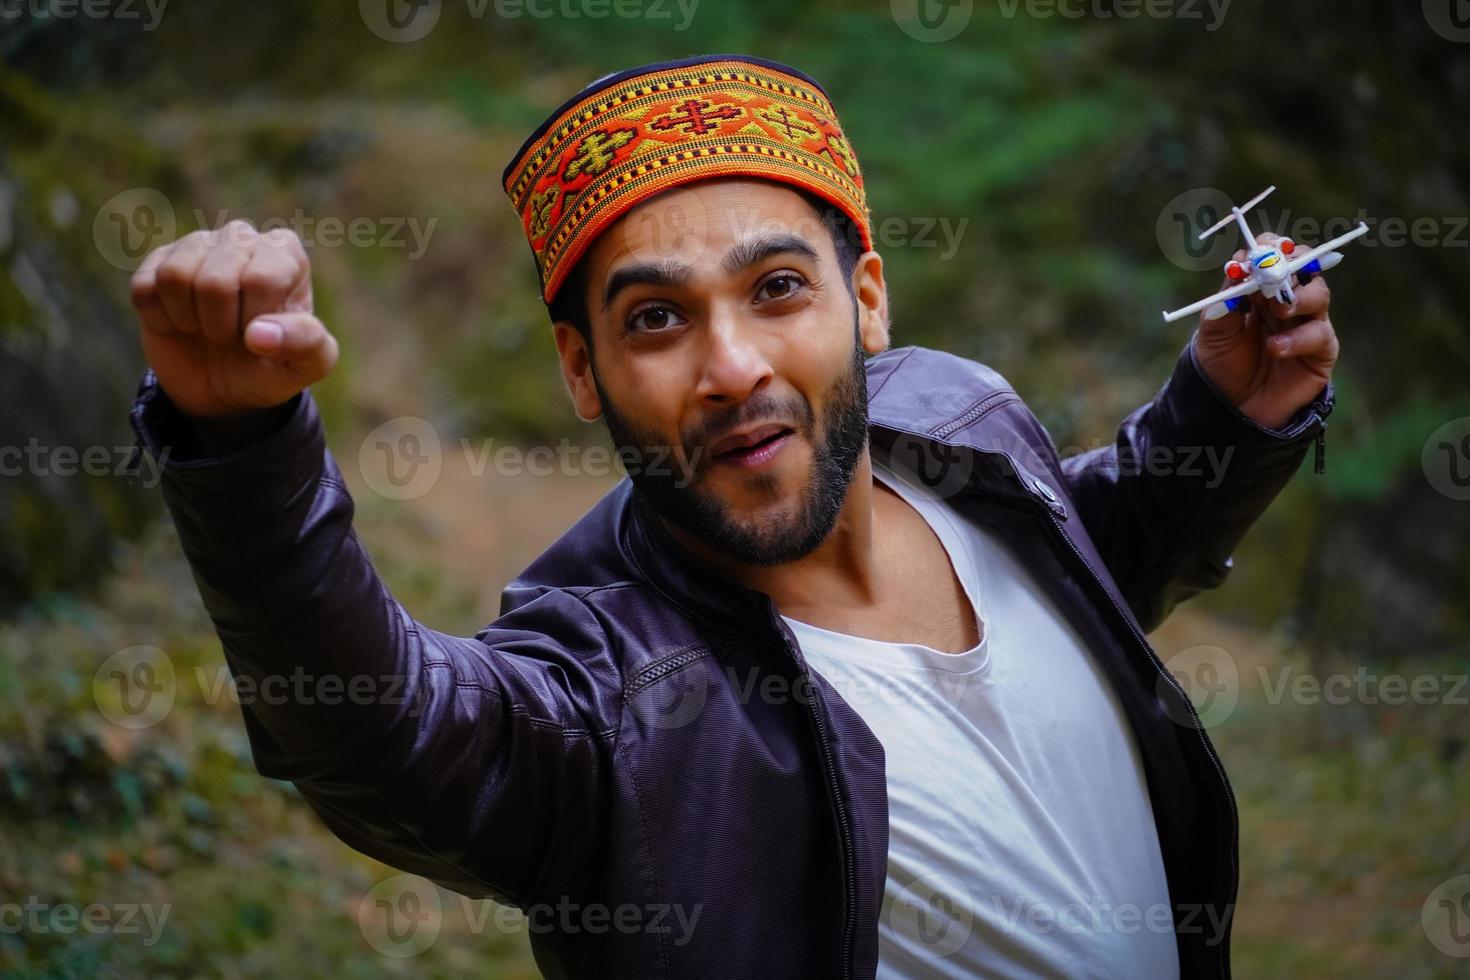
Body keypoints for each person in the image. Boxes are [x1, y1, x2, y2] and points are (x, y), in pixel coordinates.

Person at [126, 54, 1337, 979]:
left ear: (867, 300)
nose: (733, 366)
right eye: (655, 318)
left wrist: (1221, 422)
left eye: (777, 289)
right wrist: (244, 449)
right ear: (581, 371)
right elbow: (383, 736)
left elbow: (1087, 553)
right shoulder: (615, 695)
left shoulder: (958, 419)